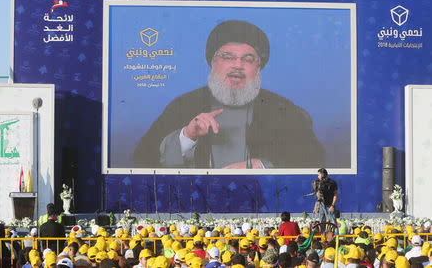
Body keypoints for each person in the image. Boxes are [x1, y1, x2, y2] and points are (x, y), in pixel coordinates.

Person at [133, 20, 325, 169]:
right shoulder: (183, 105)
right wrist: (187, 136)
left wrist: (264, 166)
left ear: (258, 68)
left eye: (248, 59)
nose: (237, 65)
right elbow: (143, 159)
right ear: (212, 62)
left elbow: (314, 159)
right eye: (227, 57)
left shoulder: (282, 109)